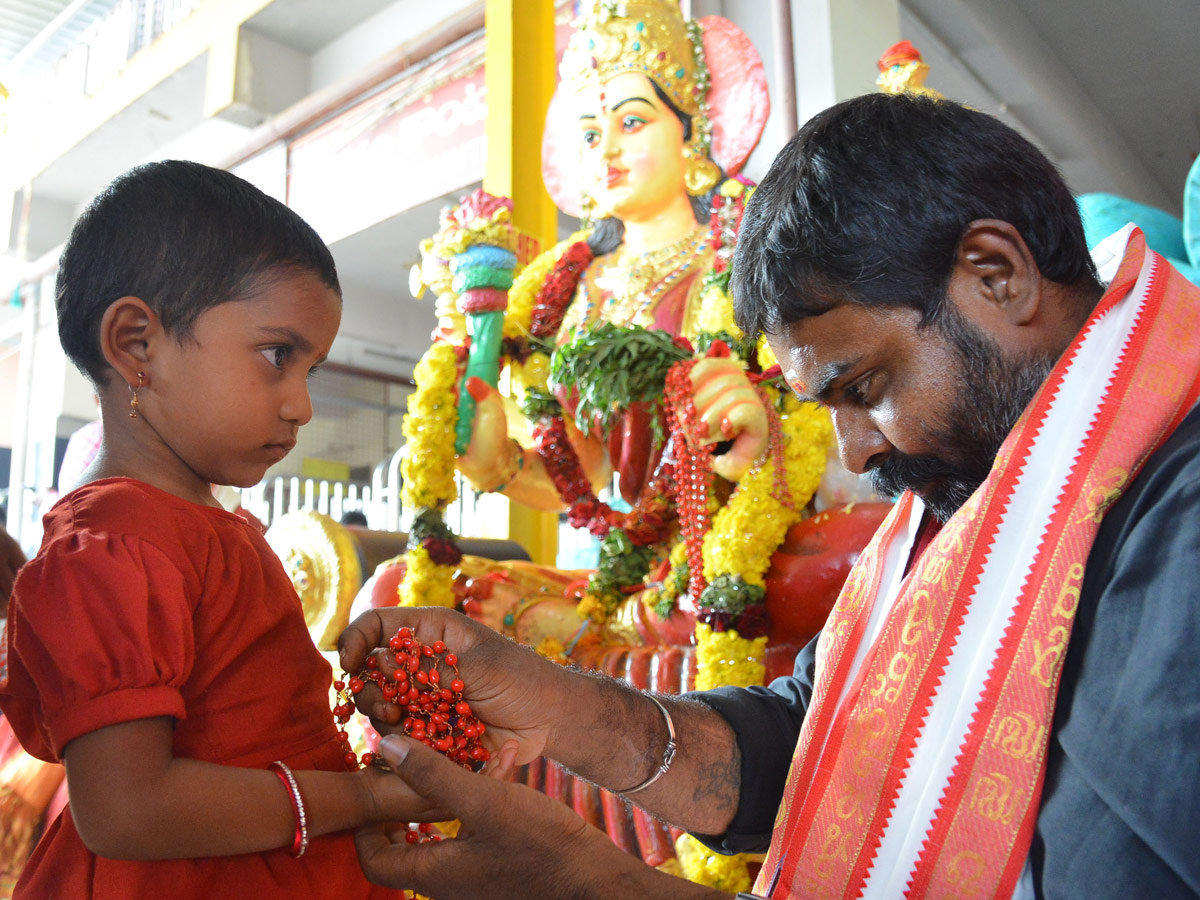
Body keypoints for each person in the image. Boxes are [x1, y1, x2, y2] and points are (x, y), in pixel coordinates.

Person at [339, 93, 1200, 900]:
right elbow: (826, 732)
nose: (858, 453)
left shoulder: (1178, 503)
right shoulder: (972, 485)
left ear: (996, 272)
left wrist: (588, 882)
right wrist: (550, 704)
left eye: (862, 387)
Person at [0, 160, 504, 899]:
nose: (301, 405)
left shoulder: (202, 525)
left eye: (312, 369)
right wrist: (359, 800)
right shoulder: (110, 551)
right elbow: (127, 808)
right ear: (137, 344)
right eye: (277, 357)